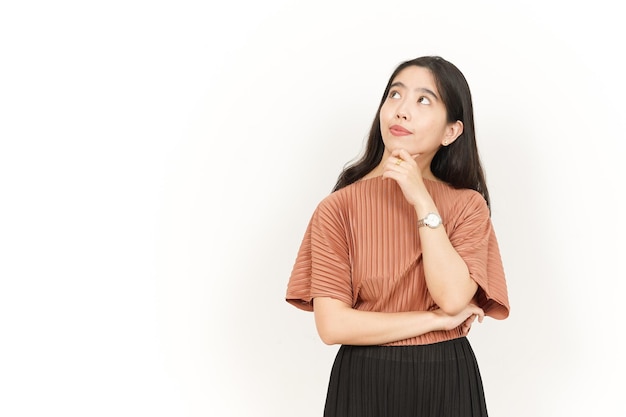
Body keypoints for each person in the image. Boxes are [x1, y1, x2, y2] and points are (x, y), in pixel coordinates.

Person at [285, 55, 510, 417]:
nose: (402, 111)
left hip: (446, 380)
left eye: (424, 100)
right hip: (363, 382)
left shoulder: (468, 206)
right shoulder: (338, 208)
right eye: (395, 95)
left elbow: (452, 298)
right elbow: (332, 325)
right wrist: (435, 322)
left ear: (451, 131)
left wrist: (421, 199)